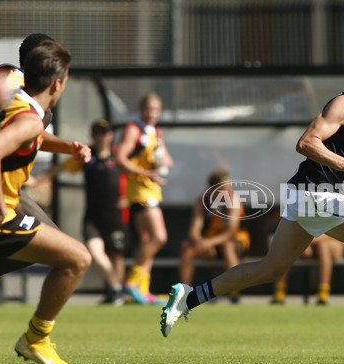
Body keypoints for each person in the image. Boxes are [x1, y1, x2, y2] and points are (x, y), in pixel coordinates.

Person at [160, 43, 344, 355]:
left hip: (314, 195)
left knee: (270, 269)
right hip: (312, 193)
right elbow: (306, 142)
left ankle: (190, 297)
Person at [0, 41, 92, 364]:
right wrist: (2, 208)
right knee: (77, 258)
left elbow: (26, 136)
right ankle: (36, 339)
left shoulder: (15, 103)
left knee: (56, 246)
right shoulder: (30, 120)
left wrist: (68, 146)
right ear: (58, 83)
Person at [39, 120, 128, 305]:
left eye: (104, 133)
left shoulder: (119, 155)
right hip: (93, 215)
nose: (100, 137)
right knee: (95, 252)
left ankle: (117, 292)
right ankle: (116, 289)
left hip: (115, 214)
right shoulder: (87, 155)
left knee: (116, 255)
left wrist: (129, 197)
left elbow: (132, 176)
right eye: (97, 133)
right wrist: (36, 181)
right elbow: (61, 168)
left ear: (110, 135)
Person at [115, 92, 173, 305]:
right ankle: (131, 282)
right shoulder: (134, 129)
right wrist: (144, 173)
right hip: (141, 192)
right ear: (141, 110)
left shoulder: (155, 132)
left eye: (156, 110)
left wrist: (160, 156)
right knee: (160, 237)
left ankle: (142, 291)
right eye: (149, 109)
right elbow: (120, 157)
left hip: (152, 190)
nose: (152, 114)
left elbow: (168, 162)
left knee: (147, 240)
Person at [179, 169, 250, 303]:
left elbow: (231, 232)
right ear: (213, 189)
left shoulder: (234, 200)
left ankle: (235, 292)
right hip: (211, 243)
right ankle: (185, 293)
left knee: (227, 246)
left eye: (229, 187)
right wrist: (197, 240)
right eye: (225, 188)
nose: (229, 191)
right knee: (187, 247)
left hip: (236, 242)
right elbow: (195, 228)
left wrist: (209, 243)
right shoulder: (202, 201)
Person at [271, 234, 344, 305]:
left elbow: (338, 234)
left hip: (333, 242)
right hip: (310, 242)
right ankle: (279, 292)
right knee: (289, 246)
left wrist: (312, 239)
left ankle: (323, 294)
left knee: (322, 246)